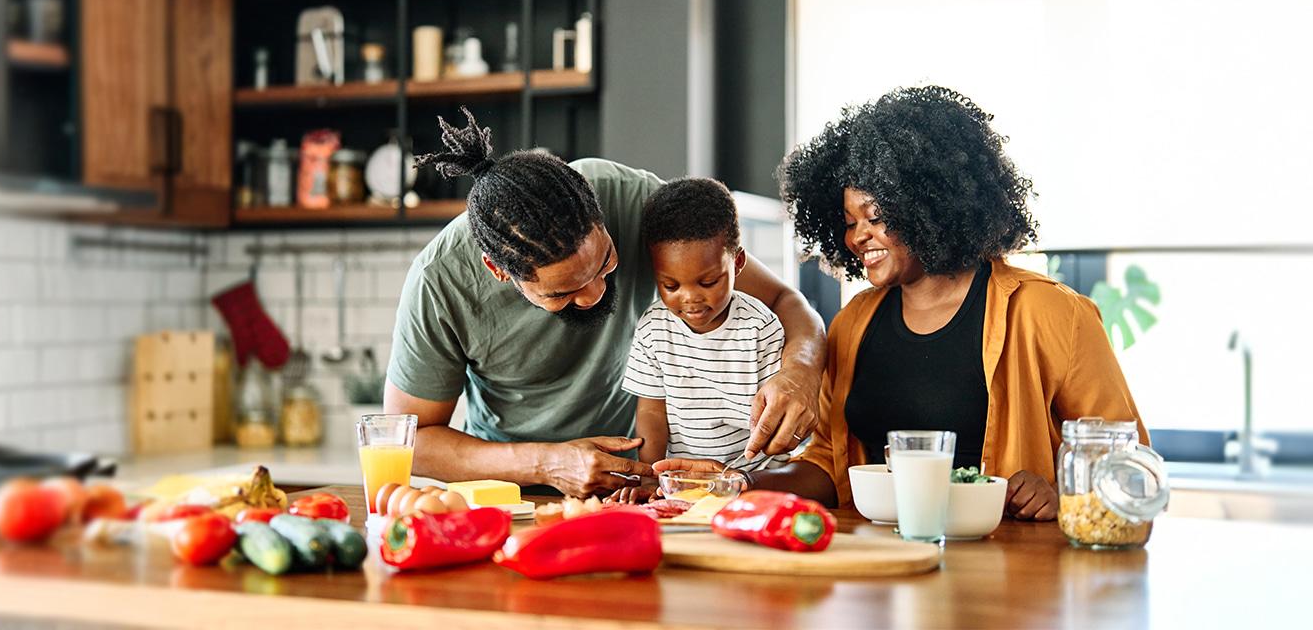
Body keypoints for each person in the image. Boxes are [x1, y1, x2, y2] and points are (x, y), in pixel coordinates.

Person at [656, 86, 1146, 521]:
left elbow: (1131, 465)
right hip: (884, 580)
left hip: (1013, 580)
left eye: (876, 216)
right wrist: (738, 484)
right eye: (848, 222)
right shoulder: (854, 323)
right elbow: (830, 466)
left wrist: (1059, 492)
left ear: (932, 206)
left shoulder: (1049, 313)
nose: (858, 237)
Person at [385, 108, 826, 498]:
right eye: (561, 293)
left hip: (638, 485)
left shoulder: (630, 199)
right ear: (501, 272)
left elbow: (787, 301)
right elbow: (410, 440)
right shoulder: (439, 281)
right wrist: (546, 464)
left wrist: (801, 371)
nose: (596, 293)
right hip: (516, 495)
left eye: (607, 262)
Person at [620, 178, 787, 478]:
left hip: (754, 477)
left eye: (708, 282)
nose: (690, 298)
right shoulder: (652, 329)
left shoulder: (760, 327)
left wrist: (744, 477)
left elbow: (777, 413)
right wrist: (649, 476)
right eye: (670, 285)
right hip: (683, 480)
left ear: (737, 264)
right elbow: (651, 412)